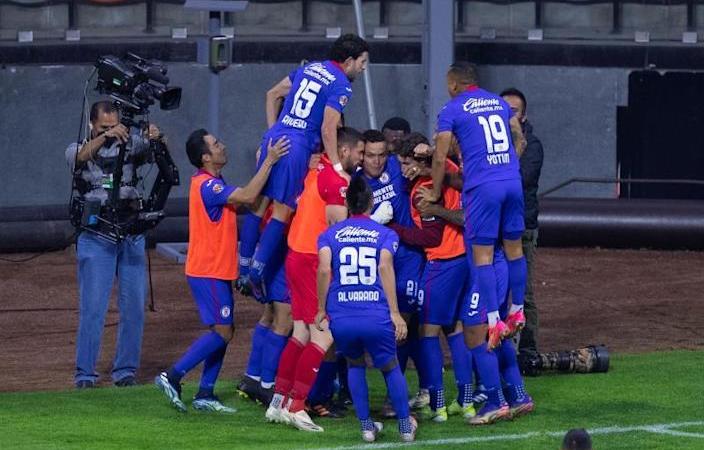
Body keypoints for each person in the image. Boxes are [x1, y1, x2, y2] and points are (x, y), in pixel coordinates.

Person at [154, 129, 289, 413]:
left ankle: (205, 393)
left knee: (224, 330)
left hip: (215, 270)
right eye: (216, 144)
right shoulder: (209, 186)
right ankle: (173, 375)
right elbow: (249, 195)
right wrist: (269, 161)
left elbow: (251, 200)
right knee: (223, 331)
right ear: (206, 157)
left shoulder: (211, 181)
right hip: (209, 271)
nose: (223, 146)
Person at [429, 61, 528, 424]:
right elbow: (518, 135)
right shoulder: (498, 104)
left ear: (454, 84)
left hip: (487, 260)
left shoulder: (453, 110)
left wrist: (435, 194)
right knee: (515, 250)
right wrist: (510, 161)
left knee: (476, 329)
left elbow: (440, 156)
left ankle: (495, 402)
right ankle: (518, 392)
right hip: (510, 183)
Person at [239, 34, 369, 301]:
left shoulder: (309, 68)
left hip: (276, 138)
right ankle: (255, 274)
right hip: (298, 146)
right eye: (362, 62)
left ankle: (242, 268)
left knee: (259, 204)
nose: (363, 68)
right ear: (348, 61)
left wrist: (273, 132)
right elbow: (328, 128)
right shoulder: (341, 84)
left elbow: (272, 94)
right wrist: (336, 166)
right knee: (283, 210)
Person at [264, 127, 368, 432]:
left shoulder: (316, 167)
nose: (361, 159)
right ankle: (297, 406)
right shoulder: (337, 181)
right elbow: (339, 232)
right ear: (344, 150)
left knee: (300, 333)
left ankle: (278, 402)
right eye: (360, 152)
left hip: (296, 255)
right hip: (312, 260)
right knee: (324, 336)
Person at [65, 100, 162, 389]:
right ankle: (85, 374)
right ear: (92, 124)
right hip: (96, 236)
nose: (111, 131)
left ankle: (126, 371)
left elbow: (156, 151)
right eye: (104, 127)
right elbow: (79, 157)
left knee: (134, 307)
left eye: (114, 126)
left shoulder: (130, 145)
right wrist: (105, 137)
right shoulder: (77, 146)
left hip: (130, 233)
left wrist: (156, 136)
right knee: (93, 308)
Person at [315, 176, 418, 443]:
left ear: (347, 204)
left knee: (354, 364)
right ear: (371, 203)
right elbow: (384, 266)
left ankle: (366, 428)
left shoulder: (329, 235)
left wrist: (320, 308)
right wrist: (395, 313)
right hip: (375, 314)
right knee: (390, 366)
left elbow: (324, 269)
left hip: (342, 314)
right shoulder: (385, 234)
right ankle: (405, 427)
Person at [391, 132, 475, 422]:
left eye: (406, 163)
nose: (403, 170)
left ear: (419, 161)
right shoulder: (447, 169)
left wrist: (394, 229)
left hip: (442, 262)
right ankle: (465, 402)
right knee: (454, 329)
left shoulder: (424, 190)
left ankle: (438, 405)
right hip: (464, 258)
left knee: (427, 332)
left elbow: (430, 236)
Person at [357, 129, 428, 416]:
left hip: (407, 259)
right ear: (362, 155)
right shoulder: (355, 181)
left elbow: (424, 161)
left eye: (381, 155)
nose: (377, 161)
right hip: (374, 263)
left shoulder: (397, 171)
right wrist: (375, 221)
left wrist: (424, 154)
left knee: (402, 327)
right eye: (370, 156)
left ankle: (397, 396)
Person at [500, 87, 544, 359]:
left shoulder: (533, 145)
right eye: (504, 109)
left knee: (523, 292)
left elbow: (521, 179)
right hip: (498, 225)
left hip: (522, 226)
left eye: (513, 111)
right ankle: (497, 347)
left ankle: (528, 351)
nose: (507, 115)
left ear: (523, 117)